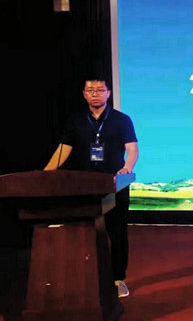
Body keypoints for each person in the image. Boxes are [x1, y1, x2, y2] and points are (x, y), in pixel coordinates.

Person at [44, 77, 138, 298]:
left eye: (100, 89)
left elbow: (132, 149)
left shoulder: (122, 120)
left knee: (117, 233)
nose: (95, 93)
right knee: (85, 233)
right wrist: (44, 173)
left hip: (115, 184)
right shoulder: (75, 121)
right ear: (84, 94)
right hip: (85, 187)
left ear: (108, 93)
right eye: (90, 90)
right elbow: (63, 149)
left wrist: (127, 167)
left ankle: (118, 279)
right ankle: (87, 278)